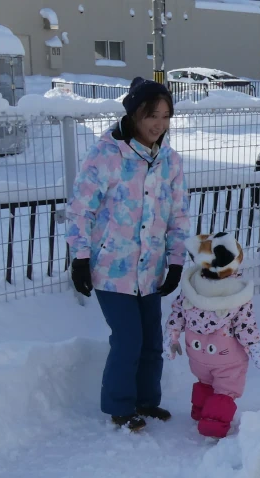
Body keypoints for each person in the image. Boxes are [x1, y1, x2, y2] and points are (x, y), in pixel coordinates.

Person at [66, 76, 190, 431]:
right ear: (135, 114)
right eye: (153, 115)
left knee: (152, 340)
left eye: (166, 116)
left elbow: (179, 215)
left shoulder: (170, 161)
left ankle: (147, 401)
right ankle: (119, 406)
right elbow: (79, 210)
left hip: (150, 270)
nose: (159, 124)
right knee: (128, 339)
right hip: (110, 270)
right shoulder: (106, 155)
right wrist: (80, 258)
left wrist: (177, 261)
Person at [165, 232, 260, 439]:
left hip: (197, 355)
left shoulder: (192, 286)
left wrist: (172, 336)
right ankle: (213, 424)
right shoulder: (236, 294)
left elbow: (177, 312)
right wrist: (257, 349)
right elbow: (245, 326)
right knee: (225, 389)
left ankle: (201, 411)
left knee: (205, 381)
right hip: (226, 358)